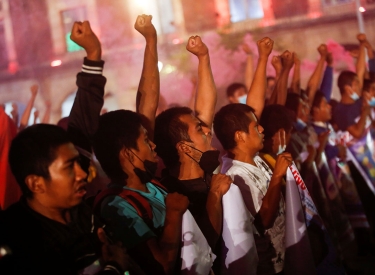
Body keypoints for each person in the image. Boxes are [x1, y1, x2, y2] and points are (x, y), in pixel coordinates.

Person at [68, 17, 191, 275]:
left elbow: (148, 101)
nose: (154, 145)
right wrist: (173, 215)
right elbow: (160, 267)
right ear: (127, 154)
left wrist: (151, 40)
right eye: (146, 141)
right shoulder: (118, 206)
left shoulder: (152, 185)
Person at [0, 124, 129, 275]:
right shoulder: (20, 239)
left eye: (78, 163)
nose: (82, 174)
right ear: (36, 184)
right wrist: (114, 267)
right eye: (69, 167)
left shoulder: (81, 212)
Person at [214, 103, 292, 275]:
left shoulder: (255, 158)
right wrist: (277, 176)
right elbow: (264, 220)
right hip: (269, 267)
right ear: (240, 136)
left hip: (283, 257)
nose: (262, 129)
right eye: (256, 126)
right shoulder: (235, 176)